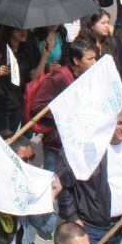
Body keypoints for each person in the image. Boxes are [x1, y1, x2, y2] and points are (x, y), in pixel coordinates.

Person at [54, 100, 122, 244]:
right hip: (88, 227)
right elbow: (63, 182)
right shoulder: (87, 143)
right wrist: (73, 218)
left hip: (120, 226)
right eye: (120, 123)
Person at [30, 39, 98, 171]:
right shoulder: (58, 78)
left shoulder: (85, 77)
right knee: (52, 184)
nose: (94, 62)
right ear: (77, 60)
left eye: (95, 58)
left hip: (74, 145)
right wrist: (66, 113)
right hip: (56, 146)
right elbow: (38, 107)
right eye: (90, 59)